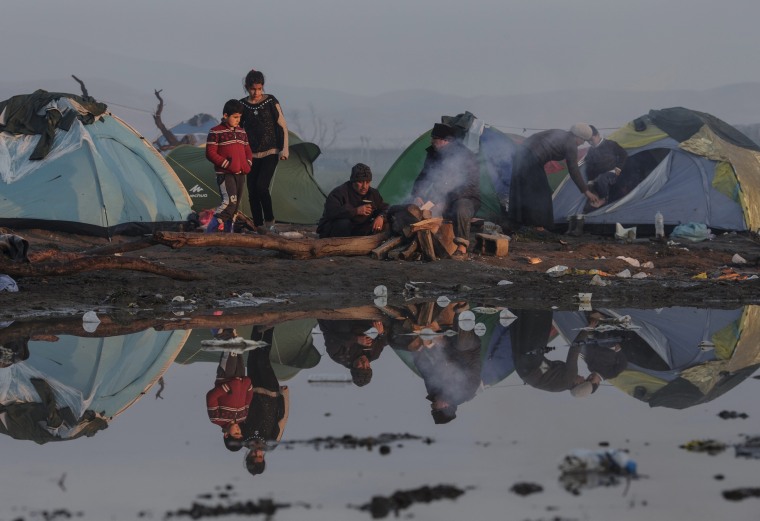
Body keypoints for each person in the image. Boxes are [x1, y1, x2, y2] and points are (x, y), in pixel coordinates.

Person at [508, 123, 601, 230]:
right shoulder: (571, 144)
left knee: (521, 188)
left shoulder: (560, 133)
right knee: (542, 193)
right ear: (579, 137)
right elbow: (574, 169)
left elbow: (535, 138)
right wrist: (586, 191)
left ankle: (518, 222)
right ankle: (539, 226)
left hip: (521, 152)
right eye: (584, 140)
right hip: (531, 158)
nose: (582, 143)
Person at [410, 123, 481, 259]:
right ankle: (422, 243)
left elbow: (469, 186)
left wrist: (445, 202)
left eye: (435, 138)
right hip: (441, 196)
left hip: (466, 197)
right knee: (418, 207)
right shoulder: (433, 153)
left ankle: (462, 247)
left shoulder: (466, 156)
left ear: (446, 141)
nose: (432, 141)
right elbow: (423, 176)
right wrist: (418, 195)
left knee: (461, 207)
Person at [239, 69, 289, 234]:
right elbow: (238, 129)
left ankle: (270, 222)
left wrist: (284, 149)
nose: (256, 92)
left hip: (271, 151)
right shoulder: (242, 105)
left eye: (259, 89)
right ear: (247, 87)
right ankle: (258, 225)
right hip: (251, 153)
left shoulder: (270, 101)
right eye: (253, 89)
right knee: (252, 190)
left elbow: (282, 125)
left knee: (262, 186)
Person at [510, 309, 601, 396]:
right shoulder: (560, 386)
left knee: (541, 321)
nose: (582, 376)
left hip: (531, 365)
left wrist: (586, 330)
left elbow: (574, 350)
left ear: (578, 383)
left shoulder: (571, 377)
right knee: (524, 326)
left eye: (583, 379)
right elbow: (543, 373)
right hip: (522, 369)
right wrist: (540, 360)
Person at [241, 326, 289, 476]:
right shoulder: (271, 443)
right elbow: (282, 419)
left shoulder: (243, 438)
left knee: (253, 356)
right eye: (260, 457)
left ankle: (257, 325)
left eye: (254, 456)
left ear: (248, 456)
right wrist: (285, 395)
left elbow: (240, 414)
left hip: (253, 390)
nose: (258, 453)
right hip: (271, 393)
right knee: (263, 359)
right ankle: (270, 326)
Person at [205, 99, 253, 233]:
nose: (238, 120)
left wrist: (247, 164)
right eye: (235, 117)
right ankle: (210, 232)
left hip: (241, 174)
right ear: (225, 116)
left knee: (235, 206)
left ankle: (228, 234)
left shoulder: (242, 132)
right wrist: (227, 164)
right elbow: (210, 153)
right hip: (225, 174)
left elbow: (248, 150)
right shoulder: (215, 132)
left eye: (240, 117)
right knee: (229, 203)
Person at [205, 329, 253, 451]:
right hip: (241, 378)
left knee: (230, 349)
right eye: (240, 433)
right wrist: (248, 386)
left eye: (236, 433)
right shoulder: (243, 417)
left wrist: (227, 387)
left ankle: (218, 331)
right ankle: (230, 333)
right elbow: (248, 401)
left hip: (226, 377)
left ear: (226, 434)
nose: (239, 430)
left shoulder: (216, 419)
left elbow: (211, 397)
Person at [317, 163, 389, 238]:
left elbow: (385, 208)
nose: (364, 186)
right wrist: (356, 211)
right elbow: (331, 212)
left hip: (358, 229)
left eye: (367, 182)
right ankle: (340, 247)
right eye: (360, 182)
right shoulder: (339, 193)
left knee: (385, 223)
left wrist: (381, 217)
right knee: (343, 223)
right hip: (334, 230)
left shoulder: (373, 193)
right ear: (353, 181)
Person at [318, 319, 388, 387]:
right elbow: (383, 340)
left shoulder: (339, 356)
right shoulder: (374, 354)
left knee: (343, 328)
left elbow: (331, 337)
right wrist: (381, 333)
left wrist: (356, 339)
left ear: (353, 368)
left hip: (336, 319)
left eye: (361, 367)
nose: (364, 363)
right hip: (363, 320)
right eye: (367, 367)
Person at [582, 125, 628, 209]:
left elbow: (623, 154)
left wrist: (619, 167)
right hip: (598, 176)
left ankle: (603, 199)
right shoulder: (591, 151)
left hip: (612, 172)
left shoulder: (610, 144)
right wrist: (590, 180)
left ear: (598, 135)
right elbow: (589, 167)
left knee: (602, 178)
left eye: (592, 140)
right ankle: (593, 202)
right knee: (591, 185)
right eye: (588, 141)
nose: (590, 143)